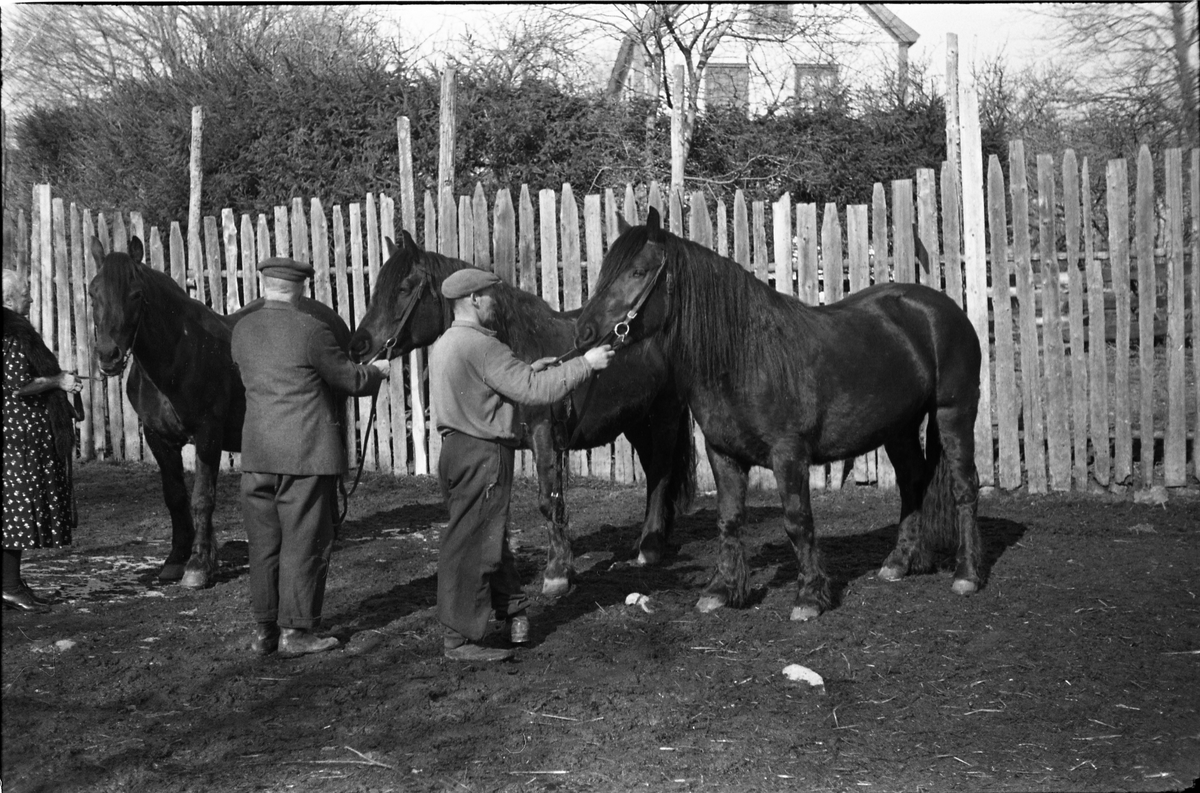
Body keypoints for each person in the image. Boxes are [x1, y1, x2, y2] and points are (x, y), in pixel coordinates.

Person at [429, 268, 615, 662]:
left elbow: (498, 383)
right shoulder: (484, 346)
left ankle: (512, 613)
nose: (496, 301)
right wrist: (587, 363)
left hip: (456, 452)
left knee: (484, 536)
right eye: (489, 295)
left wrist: (533, 368)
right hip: (484, 455)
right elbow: (535, 393)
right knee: (474, 546)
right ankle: (460, 640)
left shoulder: (447, 342)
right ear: (475, 299)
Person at [231, 257, 389, 656]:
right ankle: (296, 633)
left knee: (264, 544)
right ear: (301, 289)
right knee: (303, 542)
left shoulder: (242, 331)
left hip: (257, 456)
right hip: (305, 456)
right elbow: (350, 379)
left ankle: (264, 631)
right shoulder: (312, 330)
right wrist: (378, 372)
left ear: (264, 283)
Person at [2, 268, 83, 612]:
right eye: (25, 294)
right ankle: (9, 587)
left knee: (13, 513)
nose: (31, 298)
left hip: (18, 436)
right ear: (7, 299)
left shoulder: (14, 332)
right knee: (15, 513)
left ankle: (12, 584)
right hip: (18, 439)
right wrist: (58, 382)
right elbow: (18, 385)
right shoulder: (12, 335)